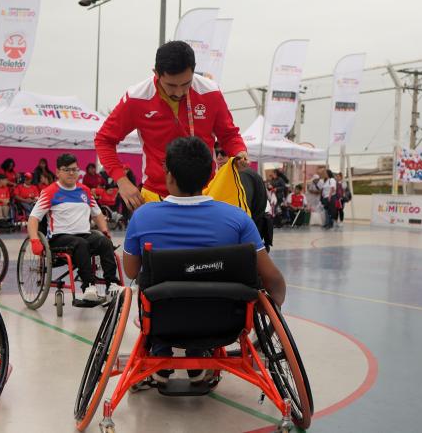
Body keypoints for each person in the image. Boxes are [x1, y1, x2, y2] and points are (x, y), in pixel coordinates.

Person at [122, 136, 286, 386]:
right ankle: (199, 350)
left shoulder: (143, 217)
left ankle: (160, 348)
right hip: (225, 323)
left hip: (162, 321)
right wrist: (272, 305)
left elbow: (131, 270)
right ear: (211, 175)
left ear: (169, 176)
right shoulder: (238, 218)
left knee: (147, 281)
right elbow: (272, 278)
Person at [95, 40, 248, 209]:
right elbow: (104, 140)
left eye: (186, 84)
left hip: (204, 193)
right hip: (157, 195)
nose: (179, 92)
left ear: (193, 71)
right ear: (156, 73)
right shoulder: (137, 98)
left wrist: (239, 152)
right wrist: (122, 181)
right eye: (171, 85)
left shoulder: (210, 92)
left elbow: (229, 135)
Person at [27, 153, 119, 302]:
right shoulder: (50, 192)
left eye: (75, 169)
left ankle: (112, 284)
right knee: (80, 244)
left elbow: (98, 214)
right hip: (59, 238)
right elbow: (33, 218)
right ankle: (89, 286)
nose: (72, 173)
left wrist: (104, 231)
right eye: (67, 169)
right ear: (57, 172)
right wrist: (34, 240)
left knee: (104, 242)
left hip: (84, 234)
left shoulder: (85, 191)